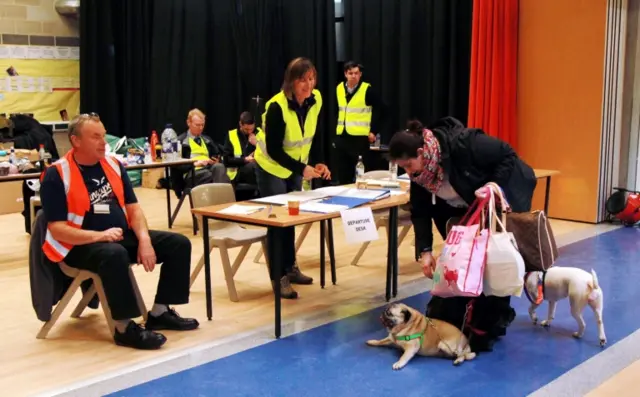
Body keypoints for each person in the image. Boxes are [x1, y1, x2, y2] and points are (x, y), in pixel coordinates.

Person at [40, 113, 199, 350]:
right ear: (76, 141)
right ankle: (124, 327)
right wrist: (99, 236)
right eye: (95, 137)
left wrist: (144, 240)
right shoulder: (56, 174)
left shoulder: (114, 165)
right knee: (114, 254)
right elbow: (58, 229)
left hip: (117, 236)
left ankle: (160, 312)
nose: (103, 142)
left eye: (103, 136)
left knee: (178, 243)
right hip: (77, 246)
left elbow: (134, 209)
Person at [388, 116, 537, 352]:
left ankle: (491, 320)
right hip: (463, 211)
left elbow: (508, 154)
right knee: (457, 267)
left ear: (420, 152)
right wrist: (424, 251)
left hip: (501, 197)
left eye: (408, 166)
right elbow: (420, 211)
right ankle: (457, 316)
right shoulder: (421, 173)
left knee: (490, 264)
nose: (408, 173)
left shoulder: (465, 143)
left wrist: (493, 185)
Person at [254, 57, 331, 299]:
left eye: (311, 79)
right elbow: (275, 150)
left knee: (293, 219)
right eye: (302, 80)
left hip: (294, 168)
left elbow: (313, 136)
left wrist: (317, 161)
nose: (308, 85)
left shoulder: (315, 100)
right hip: (271, 167)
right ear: (291, 81)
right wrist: (301, 169)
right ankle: (279, 276)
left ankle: (290, 266)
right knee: (277, 222)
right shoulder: (276, 106)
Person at [333, 61, 387, 184]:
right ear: (345, 74)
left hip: (359, 139)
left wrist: (373, 130)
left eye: (356, 73)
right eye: (350, 73)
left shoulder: (367, 90)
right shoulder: (339, 88)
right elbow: (338, 111)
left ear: (360, 74)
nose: (353, 76)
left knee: (361, 176)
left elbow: (382, 110)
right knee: (343, 176)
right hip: (342, 137)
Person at [178, 108, 229, 188]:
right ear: (188, 123)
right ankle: (223, 199)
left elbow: (217, 155)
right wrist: (195, 164)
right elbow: (177, 165)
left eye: (202, 125)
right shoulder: (181, 141)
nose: (201, 128)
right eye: (197, 125)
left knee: (219, 167)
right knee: (216, 176)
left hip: (208, 168)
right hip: (192, 172)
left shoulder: (207, 140)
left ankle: (220, 198)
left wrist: (217, 160)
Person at [222, 111, 261, 186]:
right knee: (253, 167)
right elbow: (226, 160)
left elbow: (267, 151)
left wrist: (257, 144)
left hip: (258, 166)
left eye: (251, 129)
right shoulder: (232, 135)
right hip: (238, 171)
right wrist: (245, 160)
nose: (249, 132)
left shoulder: (259, 133)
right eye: (246, 129)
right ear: (240, 124)